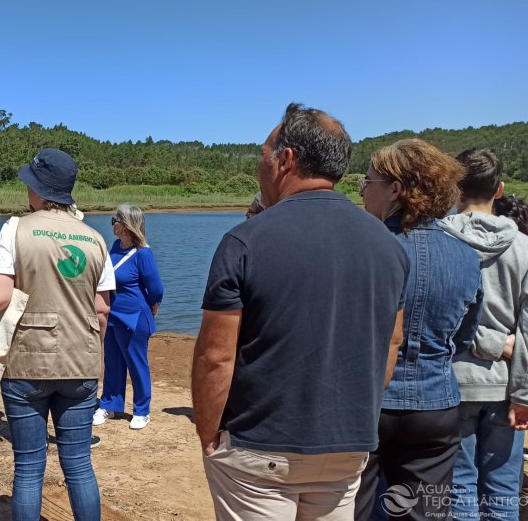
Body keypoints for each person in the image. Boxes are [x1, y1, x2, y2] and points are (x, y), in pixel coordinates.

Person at [193, 103, 410, 521]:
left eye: (263, 155)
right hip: (347, 447)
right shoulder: (388, 245)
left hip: (259, 448)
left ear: (286, 160)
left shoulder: (244, 241)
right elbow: (392, 342)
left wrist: (208, 433)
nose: (260, 166)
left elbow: (216, 356)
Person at [0, 148, 115, 521]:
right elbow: (102, 309)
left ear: (38, 189)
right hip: (81, 360)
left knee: (28, 468)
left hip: (27, 361)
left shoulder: (15, 228)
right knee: (79, 465)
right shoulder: (95, 238)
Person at [355, 139, 483, 520]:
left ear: (395, 189)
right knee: (425, 513)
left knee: (354, 510)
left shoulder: (368, 250)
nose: (362, 192)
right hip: (436, 403)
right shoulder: (467, 256)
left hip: (370, 401)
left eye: (367, 182)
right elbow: (464, 336)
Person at [439, 148, 528, 520]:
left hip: (453, 383)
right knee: (504, 491)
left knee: (459, 488)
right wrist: (524, 394)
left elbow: (442, 319)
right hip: (506, 385)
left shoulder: (439, 242)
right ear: (499, 189)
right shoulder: (524, 248)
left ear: (454, 187)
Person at [93, 203, 164, 430]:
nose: (112, 224)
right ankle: (110, 405)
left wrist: (153, 307)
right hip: (113, 314)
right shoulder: (115, 246)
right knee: (112, 362)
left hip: (134, 317)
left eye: (115, 220)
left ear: (126, 225)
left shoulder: (143, 253)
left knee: (136, 363)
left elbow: (156, 289)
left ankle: (142, 410)